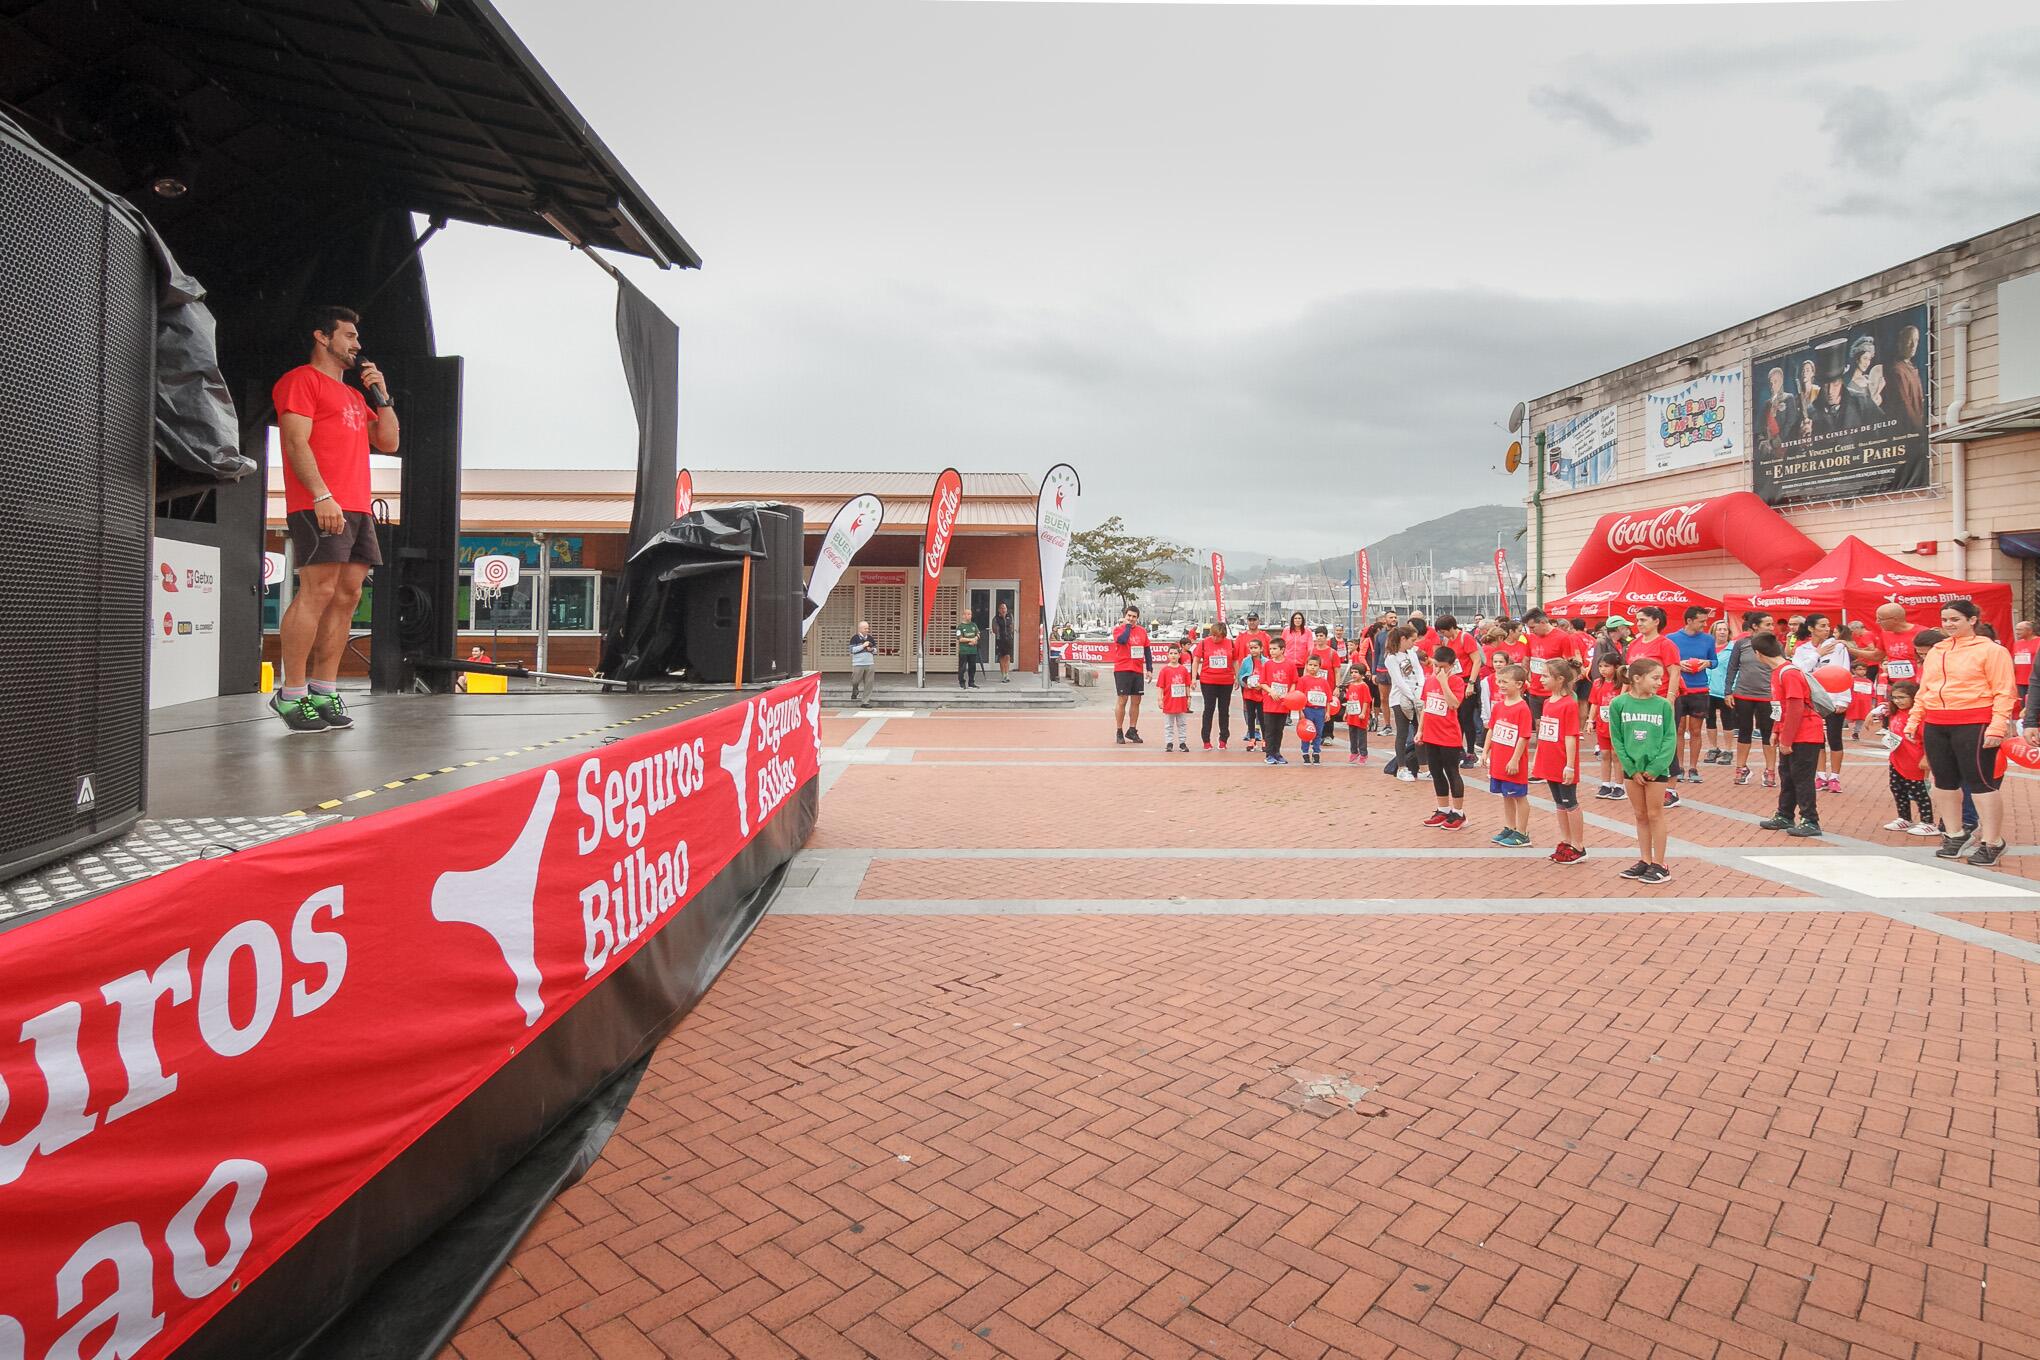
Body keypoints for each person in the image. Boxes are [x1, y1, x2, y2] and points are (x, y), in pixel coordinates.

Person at [272, 304, 401, 732]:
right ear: (323, 337)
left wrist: (382, 396)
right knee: (317, 589)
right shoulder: (300, 381)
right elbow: (295, 443)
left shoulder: (353, 395)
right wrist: (321, 495)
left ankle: (323, 688)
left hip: (358, 506)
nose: (357, 344)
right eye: (348, 336)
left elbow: (387, 440)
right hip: (319, 502)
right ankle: (291, 695)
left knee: (347, 595)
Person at [1919, 601, 2017, 865]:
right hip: (1937, 722)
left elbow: (2004, 691)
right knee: (1943, 783)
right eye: (1945, 619)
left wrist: (1997, 726)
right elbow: (1925, 688)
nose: (1949, 624)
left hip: (1975, 721)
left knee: (1980, 783)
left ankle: (1993, 841)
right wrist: (1915, 719)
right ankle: (1955, 833)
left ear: (1972, 620)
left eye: (1955, 619)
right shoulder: (1937, 650)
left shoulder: (1992, 650)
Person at [1609, 657, 1676, 883]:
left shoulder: (1663, 705)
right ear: (1637, 678)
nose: (1659, 682)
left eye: (1661, 678)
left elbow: (1669, 738)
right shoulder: (1619, 704)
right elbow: (1616, 738)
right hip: (1632, 769)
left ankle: (1660, 863)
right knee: (1640, 815)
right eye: (1655, 678)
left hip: (1656, 769)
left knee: (1655, 813)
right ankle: (1645, 859)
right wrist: (1630, 767)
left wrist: (1656, 766)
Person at [1757, 631, 1825, 838]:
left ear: (1758, 653)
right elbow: (1781, 707)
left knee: (1802, 777)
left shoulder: (1789, 673)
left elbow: (1796, 707)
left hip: (1805, 733)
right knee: (1787, 775)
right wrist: (1777, 731)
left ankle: (1810, 819)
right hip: (1792, 731)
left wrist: (1786, 738)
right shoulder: (1779, 672)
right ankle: (1785, 813)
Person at [1624, 607, 1685, 806]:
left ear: (1656, 621)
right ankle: (1644, 780)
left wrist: (1670, 698)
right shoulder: (1633, 644)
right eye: (1637, 620)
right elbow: (1629, 674)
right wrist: (1623, 697)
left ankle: (1671, 789)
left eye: (1643, 620)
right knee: (1641, 741)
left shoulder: (1666, 644)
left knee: (1665, 743)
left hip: (1661, 700)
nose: (1639, 624)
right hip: (1638, 702)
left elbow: (1674, 672)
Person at [1536, 657, 1586, 863]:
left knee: (1570, 801)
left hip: (1563, 761)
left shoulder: (1568, 704)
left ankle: (1578, 844)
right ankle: (1566, 840)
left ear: (1560, 679)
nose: (1541, 679)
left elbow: (1570, 736)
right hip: (1549, 760)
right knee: (1558, 802)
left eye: (1546, 676)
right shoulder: (1548, 702)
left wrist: (1570, 765)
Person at [1722, 610, 1779, 789]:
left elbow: (1781, 668)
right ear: (1755, 626)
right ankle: (1741, 768)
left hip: (1767, 696)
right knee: (1744, 731)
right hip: (1743, 694)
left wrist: (1779, 695)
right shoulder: (1742, 644)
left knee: (1768, 733)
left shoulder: (1775, 644)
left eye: (1772, 624)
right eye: (1767, 624)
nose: (1772, 627)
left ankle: (1770, 770)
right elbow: (1732, 668)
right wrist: (1728, 691)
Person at [1792, 614, 1849, 791]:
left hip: (1834, 699)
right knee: (1818, 740)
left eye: (1828, 625)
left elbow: (1843, 672)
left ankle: (1835, 777)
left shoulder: (1838, 647)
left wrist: (1843, 700)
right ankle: (1821, 775)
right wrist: (1817, 654)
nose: (1827, 629)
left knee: (1835, 738)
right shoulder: (1802, 650)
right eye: (1822, 626)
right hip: (1812, 699)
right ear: (1811, 628)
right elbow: (1800, 671)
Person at [1418, 645, 1468, 829]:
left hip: (1448, 735)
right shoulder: (1430, 680)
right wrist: (1420, 730)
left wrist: (1444, 682)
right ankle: (1443, 809)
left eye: (1443, 667)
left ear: (1452, 666)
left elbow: (1454, 704)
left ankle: (1459, 813)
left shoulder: (1456, 681)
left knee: (1452, 772)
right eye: (1435, 665)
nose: (1438, 670)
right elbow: (1425, 706)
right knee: (1436, 772)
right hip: (1431, 734)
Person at [1881, 680, 1939, 836]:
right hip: (1896, 758)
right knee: (1897, 787)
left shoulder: (1919, 716)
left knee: (1918, 791)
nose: (1898, 701)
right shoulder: (1895, 713)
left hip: (1914, 759)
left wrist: (1927, 758)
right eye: (1894, 697)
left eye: (1902, 697)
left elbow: (1928, 739)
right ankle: (1904, 817)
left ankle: (1928, 821)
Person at [1484, 663, 1532, 846]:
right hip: (1498, 759)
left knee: (1519, 796)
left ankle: (1522, 832)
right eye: (1499, 681)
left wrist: (1515, 759)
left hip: (1513, 762)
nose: (1501, 685)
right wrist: (1486, 751)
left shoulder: (1522, 708)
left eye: (1505, 682)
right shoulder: (1498, 707)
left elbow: (1523, 736)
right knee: (1506, 795)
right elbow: (1491, 730)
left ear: (1519, 684)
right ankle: (1510, 827)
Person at [1669, 606, 1718, 784]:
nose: (1705, 624)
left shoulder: (1708, 639)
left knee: (1696, 731)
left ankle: (1693, 768)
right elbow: (1667, 662)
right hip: (1680, 689)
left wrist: (1707, 663)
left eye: (1706, 621)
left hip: (1700, 689)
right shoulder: (1671, 638)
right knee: (1679, 729)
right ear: (1689, 621)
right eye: (1701, 621)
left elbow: (1715, 661)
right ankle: (1679, 767)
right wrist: (1678, 664)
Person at [1383, 626, 1426, 784]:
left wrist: (1420, 690)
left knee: (1419, 731)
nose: (1414, 643)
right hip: (1400, 698)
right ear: (1403, 639)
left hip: (1416, 695)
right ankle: (1401, 767)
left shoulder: (1411, 653)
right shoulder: (1391, 658)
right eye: (1412, 640)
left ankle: (1423, 767)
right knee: (1402, 732)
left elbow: (1419, 672)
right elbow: (1398, 681)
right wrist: (1411, 695)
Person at [1109, 605, 1152, 744]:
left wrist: (1149, 669)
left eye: (1134, 617)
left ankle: (1132, 730)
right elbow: (1122, 640)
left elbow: (1147, 650)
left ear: (1137, 618)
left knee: (1136, 701)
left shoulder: (1142, 631)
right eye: (1129, 616)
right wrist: (1127, 627)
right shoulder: (1118, 630)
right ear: (1125, 616)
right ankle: (1119, 730)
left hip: (1137, 669)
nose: (1131, 619)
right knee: (1122, 700)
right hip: (1123, 668)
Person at [1194, 621, 1239, 750]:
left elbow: (1235, 660)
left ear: (1223, 635)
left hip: (1226, 681)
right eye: (1213, 635)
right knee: (1209, 709)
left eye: (1218, 636)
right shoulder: (1204, 643)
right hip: (1208, 681)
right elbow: (1196, 660)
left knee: (1224, 711)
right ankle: (1206, 739)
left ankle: (1223, 738)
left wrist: (1237, 676)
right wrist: (1193, 677)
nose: (1215, 638)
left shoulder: (1230, 643)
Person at [1589, 654, 1624, 800]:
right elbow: (1595, 703)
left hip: (1617, 726)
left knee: (1616, 755)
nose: (1603, 669)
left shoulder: (1622, 684)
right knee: (1605, 754)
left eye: (1607, 666)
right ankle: (1605, 784)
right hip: (1602, 724)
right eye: (1600, 666)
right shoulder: (1597, 683)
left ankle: (1619, 785)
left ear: (1616, 667)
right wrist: (1590, 720)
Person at [1260, 644, 1300, 766]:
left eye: (1274, 648)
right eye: (1270, 649)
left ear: (1282, 650)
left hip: (1283, 704)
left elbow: (1294, 681)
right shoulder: (1267, 664)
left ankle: (1277, 752)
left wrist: (1290, 695)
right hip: (1270, 703)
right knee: (1270, 730)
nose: (1272, 651)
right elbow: (1262, 682)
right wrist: (1271, 691)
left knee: (1279, 729)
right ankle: (1269, 754)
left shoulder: (1290, 664)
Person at [1704, 620, 1733, 764]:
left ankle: (1728, 750)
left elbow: (1736, 669)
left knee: (1727, 720)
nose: (1722, 632)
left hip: (1724, 690)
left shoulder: (1733, 649)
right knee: (1709, 719)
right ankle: (1713, 748)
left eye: (1725, 630)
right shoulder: (1707, 647)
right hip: (1707, 688)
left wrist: (1732, 689)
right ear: (1713, 631)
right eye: (1719, 629)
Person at [1156, 646, 1194, 752]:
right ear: (1168, 655)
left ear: (1179, 655)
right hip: (1169, 701)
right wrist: (1160, 699)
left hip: (1181, 701)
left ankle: (1182, 742)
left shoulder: (1183, 669)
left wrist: (1188, 698)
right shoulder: (1164, 670)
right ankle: (1169, 742)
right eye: (1171, 653)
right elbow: (1160, 686)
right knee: (1169, 724)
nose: (1173, 655)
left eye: (1175, 653)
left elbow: (1187, 685)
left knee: (1182, 723)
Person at [1297, 654, 1332, 765]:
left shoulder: (1323, 681)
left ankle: (1316, 752)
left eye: (1315, 665)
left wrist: (1328, 712)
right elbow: (1299, 697)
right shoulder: (1303, 680)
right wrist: (1301, 711)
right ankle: (1305, 752)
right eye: (1310, 665)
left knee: (1318, 732)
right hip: (1308, 709)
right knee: (1306, 732)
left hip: (1320, 711)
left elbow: (1328, 698)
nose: (1312, 667)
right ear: (1306, 666)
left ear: (1319, 667)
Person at [1341, 660, 1373, 764]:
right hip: (1352, 714)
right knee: (1352, 734)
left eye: (1356, 672)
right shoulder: (1351, 686)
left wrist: (1363, 713)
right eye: (1352, 672)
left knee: (1361, 735)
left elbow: (1366, 700)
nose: (1353, 674)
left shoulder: (1364, 686)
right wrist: (1346, 712)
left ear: (1362, 675)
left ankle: (1363, 753)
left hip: (1360, 715)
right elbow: (1349, 700)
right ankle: (1354, 751)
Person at [1238, 638, 1267, 752]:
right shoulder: (1246, 661)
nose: (1253, 650)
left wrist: (1263, 686)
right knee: (1250, 716)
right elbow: (1240, 675)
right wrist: (1246, 683)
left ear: (1261, 649)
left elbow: (1268, 676)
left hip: (1261, 693)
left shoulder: (1266, 661)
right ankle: (1252, 738)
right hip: (1249, 693)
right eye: (1251, 648)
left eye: (1256, 648)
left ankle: (1265, 739)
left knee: (1262, 717)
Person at [848, 621, 878, 702]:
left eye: (868, 628)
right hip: (858, 664)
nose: (867, 630)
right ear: (860, 629)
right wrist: (863, 646)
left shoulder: (870, 638)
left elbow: (876, 650)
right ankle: (855, 690)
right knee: (855, 681)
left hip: (869, 663)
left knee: (869, 683)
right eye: (865, 628)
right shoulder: (855, 638)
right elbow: (852, 650)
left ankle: (865, 701)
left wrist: (872, 649)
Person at [2013, 620, 2037, 717]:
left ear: (2029, 631)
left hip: (2034, 679)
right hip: (2020, 680)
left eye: (2020, 630)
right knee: (2024, 705)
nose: (2017, 632)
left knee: (2033, 704)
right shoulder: (2017, 643)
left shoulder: (2038, 642)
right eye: (2016, 629)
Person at [955, 610, 981, 689]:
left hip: (972, 651)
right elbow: (960, 639)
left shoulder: (973, 625)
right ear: (963, 616)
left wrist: (975, 639)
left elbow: (978, 634)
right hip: (964, 651)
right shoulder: (960, 627)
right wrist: (970, 640)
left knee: (972, 667)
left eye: (970, 614)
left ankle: (971, 682)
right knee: (962, 668)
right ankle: (962, 682)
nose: (969, 616)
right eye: (968, 614)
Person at [991, 601, 1016, 682]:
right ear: (999, 610)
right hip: (1000, 640)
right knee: (1001, 657)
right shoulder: (996, 618)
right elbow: (994, 629)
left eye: (1004, 608)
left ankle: (1007, 674)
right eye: (1001, 608)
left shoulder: (1010, 616)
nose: (1003, 610)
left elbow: (1012, 627)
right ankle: (1003, 674)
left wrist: (1010, 635)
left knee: (1008, 656)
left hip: (1008, 639)